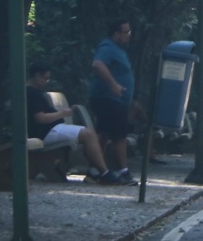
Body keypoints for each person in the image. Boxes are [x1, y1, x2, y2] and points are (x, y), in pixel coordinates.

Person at [26, 61, 120, 185]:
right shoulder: (31, 93)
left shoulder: (34, 92)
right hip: (46, 132)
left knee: (89, 134)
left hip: (50, 129)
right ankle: (104, 173)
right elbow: (41, 118)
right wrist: (62, 113)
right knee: (88, 134)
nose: (46, 82)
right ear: (37, 75)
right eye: (46, 78)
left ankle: (95, 171)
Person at [89, 19, 138, 185]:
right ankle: (123, 171)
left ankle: (94, 171)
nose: (130, 35)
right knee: (119, 136)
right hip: (109, 99)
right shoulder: (107, 47)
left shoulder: (119, 50)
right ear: (116, 34)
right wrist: (113, 85)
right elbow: (98, 64)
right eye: (126, 32)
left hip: (117, 101)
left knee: (104, 133)